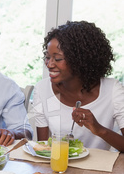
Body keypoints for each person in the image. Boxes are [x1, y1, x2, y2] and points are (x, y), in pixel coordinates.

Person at [32, 21, 124, 152]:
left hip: (100, 169)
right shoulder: (42, 89)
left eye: (57, 59)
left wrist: (99, 129)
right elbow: (44, 149)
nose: (49, 64)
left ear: (81, 60)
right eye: (47, 57)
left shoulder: (112, 90)